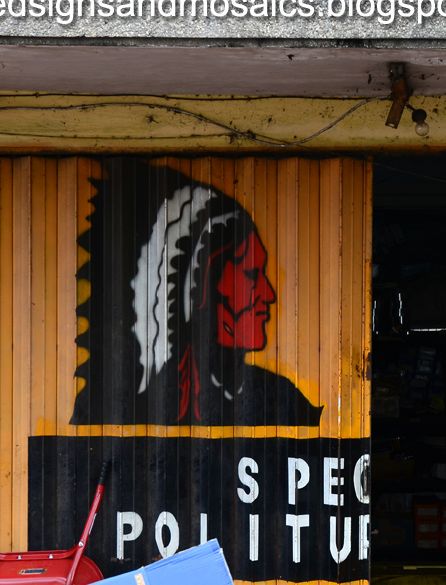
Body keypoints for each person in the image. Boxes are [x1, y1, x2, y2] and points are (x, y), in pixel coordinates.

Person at [71, 160, 323, 426]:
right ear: (200, 289)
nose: (269, 294)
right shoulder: (124, 407)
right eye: (252, 274)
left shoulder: (284, 401)